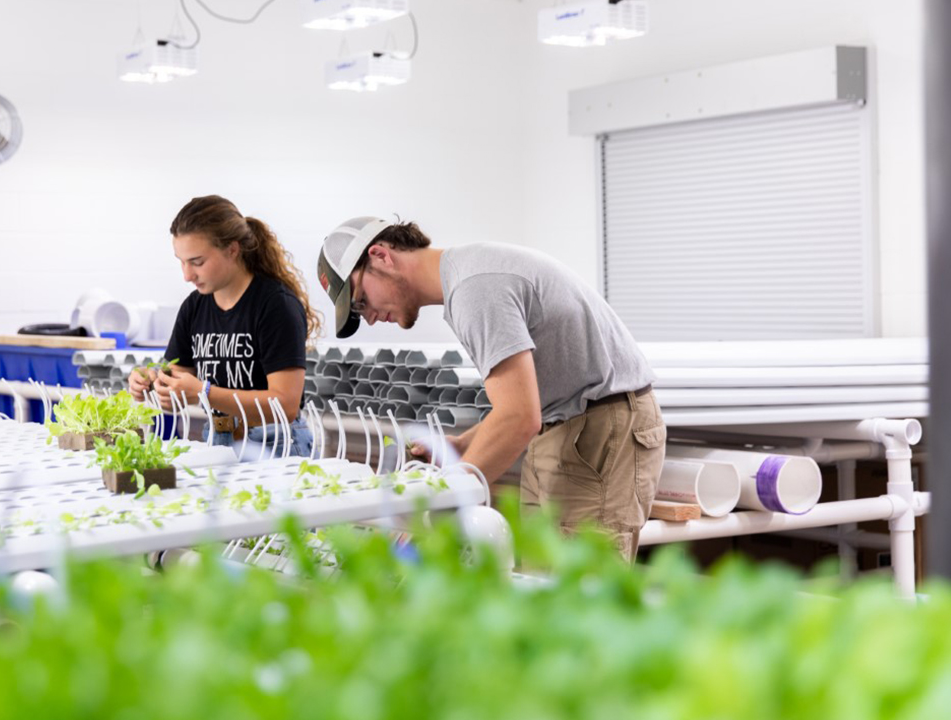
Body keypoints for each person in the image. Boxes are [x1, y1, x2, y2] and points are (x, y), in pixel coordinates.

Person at [315, 217, 665, 559]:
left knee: (582, 596)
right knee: (537, 580)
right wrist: (462, 445)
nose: (371, 317)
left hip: (601, 430)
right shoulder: (467, 279)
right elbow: (525, 402)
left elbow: (518, 417)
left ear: (380, 256)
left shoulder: (475, 289)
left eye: (361, 301)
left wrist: (440, 507)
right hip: (564, 424)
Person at [129, 195, 319, 458]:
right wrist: (151, 383)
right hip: (218, 440)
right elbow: (176, 392)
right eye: (181, 261)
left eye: (197, 262)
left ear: (232, 249)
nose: (187, 275)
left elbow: (285, 405)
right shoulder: (194, 307)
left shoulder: (276, 305)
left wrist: (203, 392)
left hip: (275, 445)